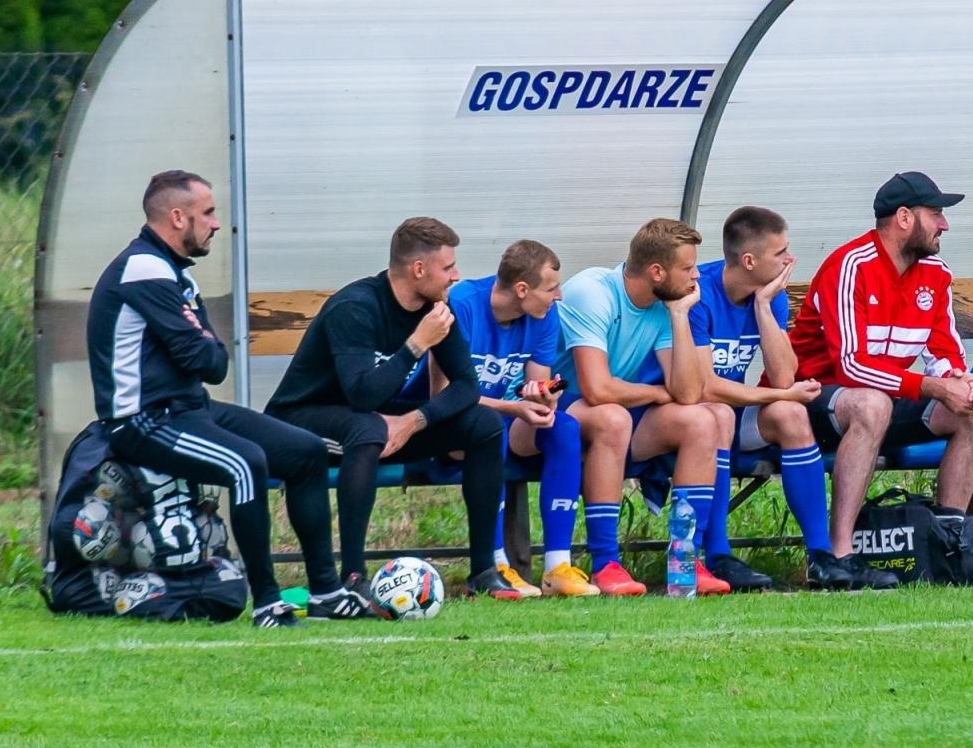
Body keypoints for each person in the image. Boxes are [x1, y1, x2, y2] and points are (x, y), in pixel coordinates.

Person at [87, 170, 362, 627]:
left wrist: (200, 344)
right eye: (208, 213)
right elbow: (205, 355)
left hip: (190, 408)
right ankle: (269, 602)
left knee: (307, 452)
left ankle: (326, 592)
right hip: (141, 420)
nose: (216, 223)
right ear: (178, 217)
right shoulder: (145, 268)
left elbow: (213, 363)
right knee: (246, 463)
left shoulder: (176, 273)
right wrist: (200, 343)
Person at [266, 217, 519, 602]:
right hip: (302, 419)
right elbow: (362, 395)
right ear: (419, 269)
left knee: (483, 423)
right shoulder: (354, 307)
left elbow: (467, 387)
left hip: (377, 419)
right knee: (367, 429)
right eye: (448, 267)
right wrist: (416, 345)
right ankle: (353, 578)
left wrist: (414, 421)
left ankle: (483, 571)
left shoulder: (436, 310)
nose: (456, 276)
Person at [789, 172, 973, 590]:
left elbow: (943, 350)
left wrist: (958, 379)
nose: (945, 225)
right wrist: (934, 387)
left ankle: (950, 548)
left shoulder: (935, 272)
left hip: (886, 396)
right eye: (936, 214)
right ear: (904, 217)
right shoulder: (851, 265)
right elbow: (851, 366)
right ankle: (840, 554)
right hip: (813, 404)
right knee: (871, 404)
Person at [554, 219, 730, 597]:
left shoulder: (665, 306)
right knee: (613, 417)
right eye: (687, 268)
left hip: (617, 409)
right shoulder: (591, 291)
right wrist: (652, 394)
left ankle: (684, 563)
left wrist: (681, 316)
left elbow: (686, 393)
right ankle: (605, 563)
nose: (697, 275)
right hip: (554, 410)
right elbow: (596, 388)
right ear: (657, 271)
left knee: (701, 420)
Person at [418, 240, 598, 597]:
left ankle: (557, 567)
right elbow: (443, 397)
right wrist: (515, 409)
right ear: (521, 289)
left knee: (563, 427)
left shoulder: (544, 316)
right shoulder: (461, 305)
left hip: (499, 419)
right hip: (440, 426)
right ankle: (495, 564)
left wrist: (544, 397)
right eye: (551, 288)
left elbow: (537, 383)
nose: (559, 296)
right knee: (488, 432)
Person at [688, 206, 850, 590]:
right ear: (749, 260)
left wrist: (763, 306)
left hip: (730, 414)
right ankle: (719, 555)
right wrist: (781, 392)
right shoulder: (699, 293)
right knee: (719, 413)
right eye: (780, 253)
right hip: (687, 417)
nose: (789, 261)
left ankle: (820, 556)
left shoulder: (770, 295)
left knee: (791, 414)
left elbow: (783, 374)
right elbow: (703, 387)